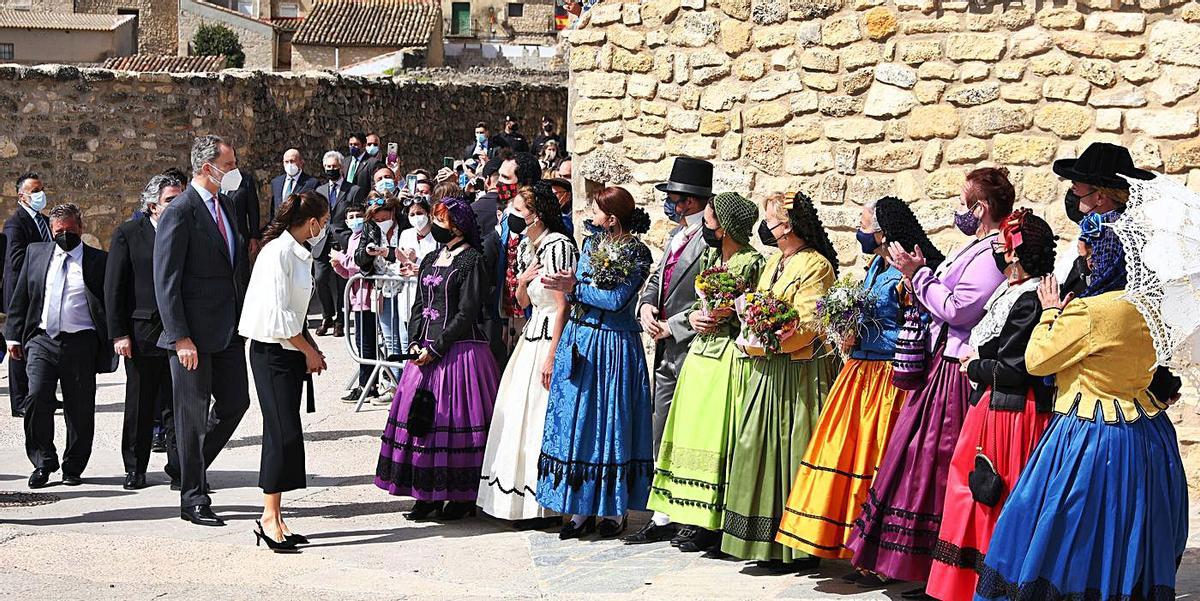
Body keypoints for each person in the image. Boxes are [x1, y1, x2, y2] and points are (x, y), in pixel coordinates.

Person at [975, 210, 1188, 601]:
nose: (1084, 263)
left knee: (1063, 525)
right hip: (1146, 436)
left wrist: (1051, 313)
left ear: (1100, 259)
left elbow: (1038, 360)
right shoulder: (1150, 307)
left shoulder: (1089, 311)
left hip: (1088, 435)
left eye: (1088, 256)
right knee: (1128, 530)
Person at [848, 168, 1013, 594]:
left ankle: (940, 565)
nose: (959, 210)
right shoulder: (976, 247)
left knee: (938, 464)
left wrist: (916, 275)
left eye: (964, 202)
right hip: (942, 365)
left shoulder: (994, 252)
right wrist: (921, 275)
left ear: (982, 208)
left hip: (957, 371)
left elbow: (959, 309)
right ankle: (917, 563)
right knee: (916, 458)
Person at [776, 197, 942, 563]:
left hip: (889, 378)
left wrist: (865, 334)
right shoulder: (874, 267)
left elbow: (918, 328)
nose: (859, 231)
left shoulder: (905, 274)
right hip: (859, 375)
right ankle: (852, 543)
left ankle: (878, 550)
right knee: (846, 454)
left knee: (877, 459)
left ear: (882, 233)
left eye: (864, 225)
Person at [924, 209, 1055, 601]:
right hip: (990, 407)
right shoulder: (1009, 292)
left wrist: (975, 366)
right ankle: (963, 586)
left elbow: (1016, 368)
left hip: (1013, 413)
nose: (997, 250)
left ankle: (993, 586)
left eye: (1002, 244)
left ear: (1016, 253)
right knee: (970, 490)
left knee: (993, 492)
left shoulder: (1030, 300)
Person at [718, 192, 839, 571]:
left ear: (789, 226)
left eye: (773, 220)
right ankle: (761, 539)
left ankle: (796, 546)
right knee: (756, 445)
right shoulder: (774, 260)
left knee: (791, 450)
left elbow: (809, 321)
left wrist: (775, 325)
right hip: (768, 367)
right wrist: (749, 311)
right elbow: (760, 301)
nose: (768, 228)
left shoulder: (817, 266)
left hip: (798, 372)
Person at [645, 192, 763, 552]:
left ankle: (715, 522)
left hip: (727, 353)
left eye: (710, 221)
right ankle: (690, 516)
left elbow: (754, 308)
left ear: (724, 227)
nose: (706, 227)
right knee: (690, 435)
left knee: (717, 436)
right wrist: (693, 317)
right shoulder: (712, 256)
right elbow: (694, 301)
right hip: (700, 351)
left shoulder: (751, 262)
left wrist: (733, 312)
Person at [537, 186, 654, 540]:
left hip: (615, 346)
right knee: (579, 423)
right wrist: (573, 287)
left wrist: (574, 288)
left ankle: (613, 510)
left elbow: (617, 299)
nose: (591, 214)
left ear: (612, 217)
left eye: (597, 209)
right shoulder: (589, 245)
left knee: (610, 422)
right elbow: (584, 285)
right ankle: (579, 508)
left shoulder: (637, 252)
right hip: (581, 340)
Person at [375, 197, 500, 521]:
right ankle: (425, 494)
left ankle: (460, 497)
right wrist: (417, 340)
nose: (436, 226)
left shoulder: (472, 260)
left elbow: (468, 310)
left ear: (457, 227)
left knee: (456, 421)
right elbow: (419, 305)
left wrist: (438, 346)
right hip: (426, 350)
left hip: (460, 353)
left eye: (441, 221)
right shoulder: (431, 257)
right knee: (423, 424)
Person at [154, 134, 252, 527]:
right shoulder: (180, 211)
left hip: (227, 330)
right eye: (228, 165)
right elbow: (167, 279)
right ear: (206, 167)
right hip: (191, 336)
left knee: (236, 403)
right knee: (191, 417)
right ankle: (193, 497)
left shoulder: (226, 204)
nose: (232, 172)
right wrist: (180, 336)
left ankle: (185, 464)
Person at [477, 183, 579, 527]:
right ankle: (516, 501)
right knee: (517, 413)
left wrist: (553, 355)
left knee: (538, 417)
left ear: (536, 214)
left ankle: (543, 503)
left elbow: (563, 305)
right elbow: (522, 303)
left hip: (549, 337)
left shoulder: (558, 246)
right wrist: (521, 282)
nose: (513, 217)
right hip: (531, 333)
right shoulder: (529, 246)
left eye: (520, 210)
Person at [626, 157, 712, 545]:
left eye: (676, 197)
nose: (672, 203)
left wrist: (672, 326)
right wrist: (645, 305)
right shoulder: (676, 236)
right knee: (661, 428)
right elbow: (658, 278)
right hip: (663, 346)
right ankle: (661, 512)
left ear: (691, 200)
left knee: (689, 431)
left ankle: (687, 512)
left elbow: (712, 293)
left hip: (689, 343)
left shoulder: (707, 240)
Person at [239, 190, 331, 553]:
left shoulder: (297, 253)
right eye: (322, 223)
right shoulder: (277, 253)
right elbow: (279, 316)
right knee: (281, 432)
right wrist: (308, 350)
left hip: (289, 349)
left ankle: (276, 515)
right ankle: (268, 515)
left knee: (286, 432)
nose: (323, 228)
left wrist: (311, 349)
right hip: (272, 352)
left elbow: (296, 312)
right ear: (311, 222)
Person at [7, 203, 116, 488]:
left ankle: (73, 466)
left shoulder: (98, 261)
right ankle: (43, 461)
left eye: (69, 230)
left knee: (79, 408)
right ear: (51, 231)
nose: (64, 235)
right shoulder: (37, 254)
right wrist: (13, 335)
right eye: (58, 231)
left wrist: (117, 336)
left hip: (81, 341)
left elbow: (110, 304)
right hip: (42, 339)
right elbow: (22, 296)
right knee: (36, 398)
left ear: (80, 228)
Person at [106, 174, 184, 490]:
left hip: (179, 332)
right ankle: (135, 467)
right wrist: (119, 333)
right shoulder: (128, 233)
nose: (178, 205)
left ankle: (180, 468)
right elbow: (114, 287)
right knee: (140, 402)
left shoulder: (186, 232)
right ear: (153, 206)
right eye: (170, 200)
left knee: (178, 403)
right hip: (141, 333)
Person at [3, 172, 53, 418]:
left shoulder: (45, 221)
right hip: (21, 293)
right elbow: (16, 260)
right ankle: (19, 400)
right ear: (21, 196)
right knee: (18, 345)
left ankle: (45, 395)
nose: (40, 194)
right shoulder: (16, 223)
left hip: (43, 291)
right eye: (35, 191)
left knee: (41, 342)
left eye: (41, 188)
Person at [354, 194, 406, 400]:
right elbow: (359, 257)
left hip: (405, 288)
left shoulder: (405, 226)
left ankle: (407, 384)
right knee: (390, 338)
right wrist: (368, 253)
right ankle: (395, 385)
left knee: (404, 338)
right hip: (383, 288)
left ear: (392, 213)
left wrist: (388, 252)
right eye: (376, 220)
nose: (379, 223)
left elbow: (408, 253)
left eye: (383, 219)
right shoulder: (370, 229)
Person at [330, 200, 379, 402]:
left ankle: (367, 384)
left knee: (366, 342)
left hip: (367, 296)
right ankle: (365, 381)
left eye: (358, 216)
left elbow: (360, 263)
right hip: (355, 296)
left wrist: (340, 258)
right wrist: (337, 264)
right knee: (360, 341)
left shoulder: (366, 237)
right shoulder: (351, 238)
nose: (355, 220)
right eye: (351, 218)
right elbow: (348, 270)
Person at [314, 150, 361, 337]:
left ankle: (341, 320)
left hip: (343, 240)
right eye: (328, 167)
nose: (331, 170)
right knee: (319, 278)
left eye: (334, 167)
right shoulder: (319, 191)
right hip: (322, 241)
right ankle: (327, 316)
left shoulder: (353, 190)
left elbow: (357, 213)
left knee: (342, 282)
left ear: (341, 168)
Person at [269, 149, 319, 223]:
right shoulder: (276, 182)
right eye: (286, 162)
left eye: (292, 161)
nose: (289, 164)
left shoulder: (312, 183)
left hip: (300, 227)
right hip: (280, 228)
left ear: (301, 162)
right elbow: (273, 208)